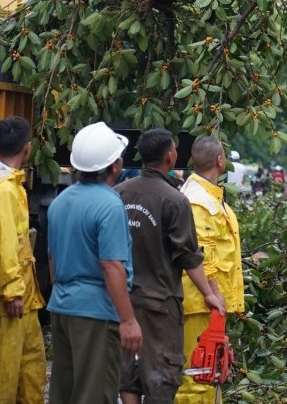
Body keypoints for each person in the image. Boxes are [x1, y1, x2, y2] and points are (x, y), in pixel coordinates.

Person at [115, 129, 224, 404]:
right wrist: (208, 293)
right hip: (161, 303)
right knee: (162, 374)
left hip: (123, 301)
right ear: (170, 156)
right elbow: (188, 255)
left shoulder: (119, 194)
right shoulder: (175, 200)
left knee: (128, 370)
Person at [47, 121, 141, 404]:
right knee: (95, 394)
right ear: (115, 165)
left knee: (64, 393)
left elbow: (52, 259)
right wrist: (128, 320)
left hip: (62, 307)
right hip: (96, 314)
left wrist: (66, 296)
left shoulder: (60, 202)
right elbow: (112, 266)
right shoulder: (110, 205)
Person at [0, 116, 46, 404]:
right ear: (27, 149)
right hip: (10, 301)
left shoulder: (8, 185)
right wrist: (12, 291)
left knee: (31, 367)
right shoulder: (4, 190)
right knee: (4, 375)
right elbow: (3, 245)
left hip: (23, 299)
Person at [176, 137, 245, 404]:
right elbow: (200, 256)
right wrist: (213, 294)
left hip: (210, 304)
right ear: (220, 160)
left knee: (210, 374)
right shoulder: (197, 202)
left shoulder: (210, 198)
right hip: (200, 303)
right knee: (197, 377)